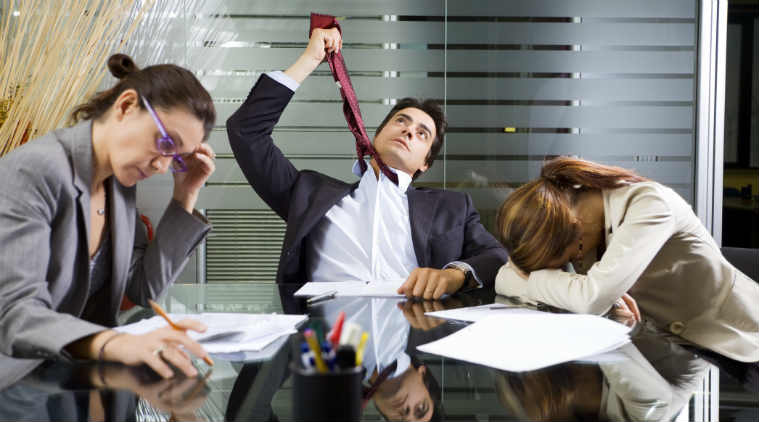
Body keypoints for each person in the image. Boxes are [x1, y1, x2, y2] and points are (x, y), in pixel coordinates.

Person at [227, 28, 507, 299]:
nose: (409, 131)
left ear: (426, 163)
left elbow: (496, 256)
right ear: (375, 136)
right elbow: (246, 131)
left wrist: (454, 275)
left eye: (422, 133)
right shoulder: (309, 195)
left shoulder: (453, 208)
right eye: (401, 121)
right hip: (329, 329)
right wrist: (310, 59)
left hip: (413, 325)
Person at [0, 54, 217, 378]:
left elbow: (144, 288)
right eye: (165, 142)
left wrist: (185, 195)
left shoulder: (118, 184)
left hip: (68, 376)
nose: (162, 166)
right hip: (14, 377)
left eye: (177, 158)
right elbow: (14, 311)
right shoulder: (33, 171)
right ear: (126, 106)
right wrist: (113, 343)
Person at [495, 156, 759, 363]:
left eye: (565, 260)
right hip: (666, 352)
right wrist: (548, 280)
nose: (572, 263)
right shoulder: (573, 225)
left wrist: (536, 281)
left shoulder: (649, 204)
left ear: (575, 227)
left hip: (737, 343)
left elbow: (591, 300)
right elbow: (503, 278)